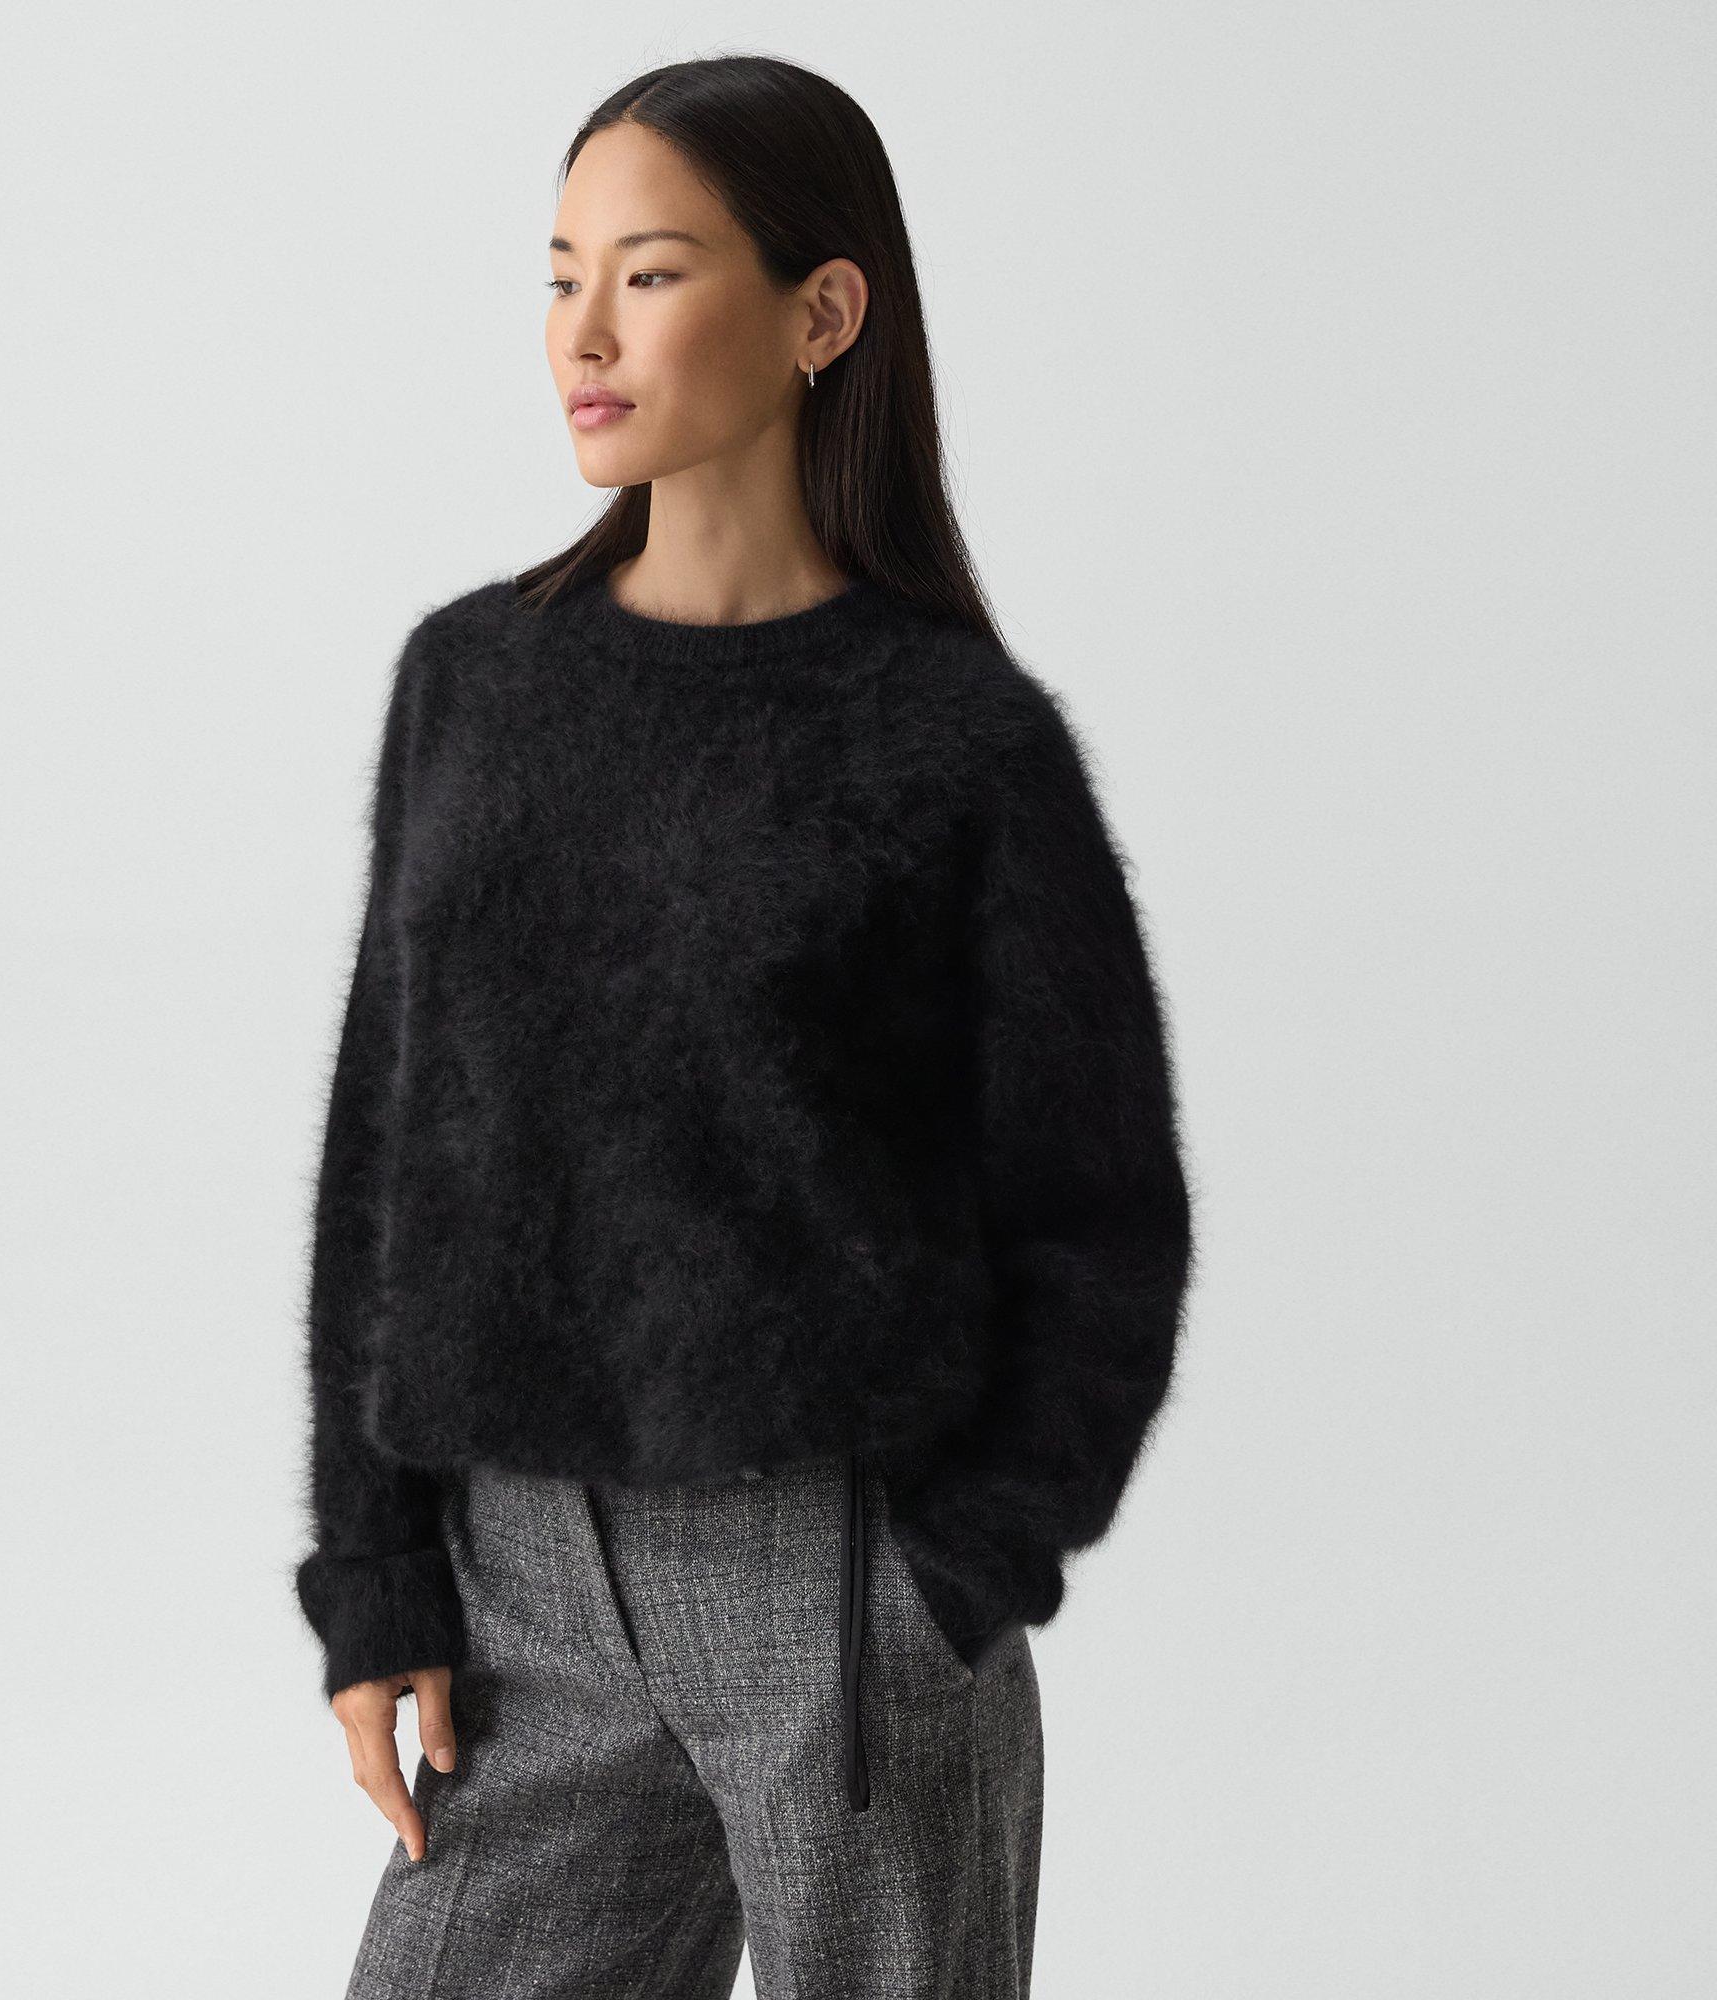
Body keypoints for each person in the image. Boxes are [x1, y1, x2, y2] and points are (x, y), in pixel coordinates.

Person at [293, 54, 1197, 2000]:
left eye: (650, 273)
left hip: (841, 1578)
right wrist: (375, 1570)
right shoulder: (473, 685)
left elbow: (1101, 1208)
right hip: (520, 1584)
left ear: (822, 313)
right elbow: (385, 1153)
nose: (584, 335)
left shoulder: (954, 739)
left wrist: (958, 1570)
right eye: (559, 277)